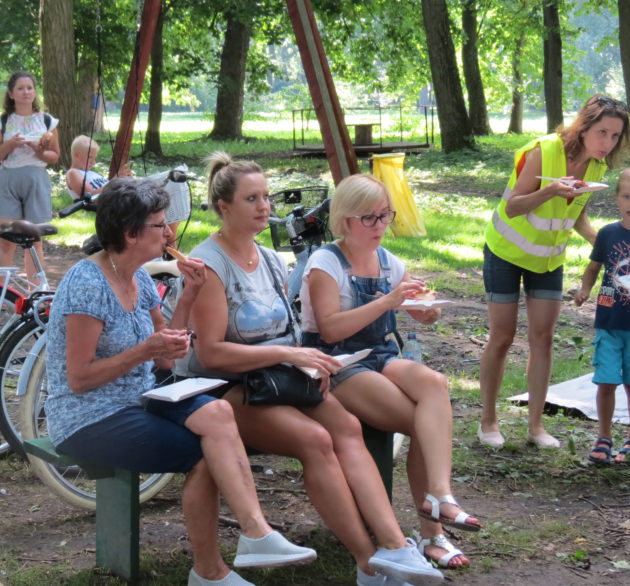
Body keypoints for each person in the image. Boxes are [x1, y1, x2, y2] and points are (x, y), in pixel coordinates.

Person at [186, 154, 445, 586]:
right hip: (226, 390)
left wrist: (311, 360)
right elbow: (210, 355)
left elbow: (289, 331)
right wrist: (290, 357)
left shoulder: (269, 258)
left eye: (266, 197)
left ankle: (395, 546)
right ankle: (368, 562)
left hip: (281, 379)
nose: (264, 206)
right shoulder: (209, 264)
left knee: (347, 427)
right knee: (316, 439)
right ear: (223, 206)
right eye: (251, 199)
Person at [45, 177, 317, 586]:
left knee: (218, 411)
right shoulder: (87, 284)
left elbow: (167, 353)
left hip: (138, 398)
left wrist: (189, 294)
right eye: (160, 225)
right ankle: (212, 571)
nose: (170, 234)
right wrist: (142, 351)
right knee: (206, 454)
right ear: (130, 233)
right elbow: (79, 379)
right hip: (87, 416)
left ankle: (256, 535)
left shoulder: (137, 277)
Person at [301, 173, 480, 570]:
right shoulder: (325, 263)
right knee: (424, 423)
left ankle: (440, 495)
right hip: (337, 363)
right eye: (369, 217)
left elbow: (414, 308)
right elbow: (329, 329)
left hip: (380, 354)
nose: (380, 225)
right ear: (345, 218)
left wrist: (427, 311)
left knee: (434, 383)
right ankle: (433, 533)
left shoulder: (389, 262)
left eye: (385, 215)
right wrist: (387, 302)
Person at [479, 95, 630, 449]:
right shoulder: (544, 151)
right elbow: (513, 207)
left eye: (615, 136)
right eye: (602, 132)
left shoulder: (597, 167)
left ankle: (535, 427)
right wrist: (550, 190)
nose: (607, 143)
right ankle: (488, 421)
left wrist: (604, 246)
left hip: (548, 260)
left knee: (543, 339)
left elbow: (576, 216)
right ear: (584, 127)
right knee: (502, 337)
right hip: (505, 253)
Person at [573, 166, 630, 464]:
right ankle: (604, 438)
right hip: (609, 322)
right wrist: (585, 289)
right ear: (617, 198)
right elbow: (593, 267)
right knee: (606, 381)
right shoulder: (608, 233)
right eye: (626, 196)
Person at [0, 72, 60, 277]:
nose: (26, 92)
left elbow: (54, 156)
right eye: (20, 88)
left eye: (30, 88)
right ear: (11, 94)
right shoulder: (2, 121)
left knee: (34, 242)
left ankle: (36, 290)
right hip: (8, 181)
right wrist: (10, 144)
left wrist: (38, 150)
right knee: (6, 240)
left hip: (36, 180)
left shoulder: (47, 121)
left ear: (35, 92)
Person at [65, 134, 131, 198]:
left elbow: (106, 186)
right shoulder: (72, 173)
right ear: (77, 155)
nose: (94, 162)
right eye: (90, 157)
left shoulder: (92, 174)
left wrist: (124, 179)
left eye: (94, 158)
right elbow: (89, 195)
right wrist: (115, 180)